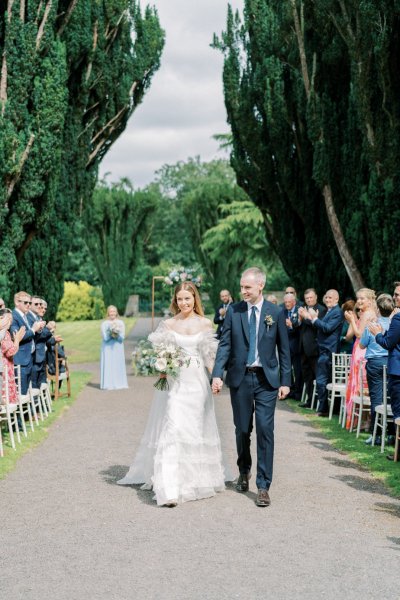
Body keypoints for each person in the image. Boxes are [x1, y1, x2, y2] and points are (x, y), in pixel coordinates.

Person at [118, 282, 227, 507]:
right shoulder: (168, 324)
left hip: (197, 384)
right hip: (176, 383)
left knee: (193, 429)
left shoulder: (205, 323)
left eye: (187, 299)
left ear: (194, 299)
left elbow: (209, 356)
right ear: (175, 301)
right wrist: (163, 364)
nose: (184, 303)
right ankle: (169, 489)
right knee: (173, 427)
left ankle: (193, 481)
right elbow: (161, 355)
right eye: (180, 299)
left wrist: (216, 378)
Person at [212, 267, 291, 507]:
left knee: (266, 431)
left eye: (247, 287)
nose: (243, 291)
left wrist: (286, 381)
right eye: (241, 287)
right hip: (240, 379)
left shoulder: (274, 312)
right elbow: (225, 344)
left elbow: (284, 350)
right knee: (243, 430)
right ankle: (244, 470)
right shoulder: (234, 312)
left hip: (267, 381)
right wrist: (217, 374)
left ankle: (263, 485)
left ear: (260, 286)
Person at [300, 289, 344, 416]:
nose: (328, 300)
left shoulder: (337, 312)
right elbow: (321, 325)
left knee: (321, 380)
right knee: (323, 380)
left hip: (328, 351)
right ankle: (327, 408)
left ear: (336, 299)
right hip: (322, 349)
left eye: (331, 298)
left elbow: (327, 328)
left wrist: (313, 318)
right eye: (327, 297)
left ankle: (323, 409)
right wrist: (310, 318)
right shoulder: (328, 311)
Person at [370, 282, 400, 459]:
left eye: (397, 294)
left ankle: (397, 454)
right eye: (395, 294)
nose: (395, 297)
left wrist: (377, 333)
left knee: (398, 413)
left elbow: (388, 343)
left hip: (397, 372)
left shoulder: (398, 318)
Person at [360, 293, 392, 445]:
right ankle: (392, 433)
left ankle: (376, 434)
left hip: (374, 363)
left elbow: (361, 345)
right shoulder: (394, 325)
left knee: (376, 398)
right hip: (391, 362)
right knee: (392, 398)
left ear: (378, 309)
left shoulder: (372, 325)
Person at [343, 288, 377, 429]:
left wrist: (351, 320)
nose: (359, 301)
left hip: (361, 351)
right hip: (363, 350)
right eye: (358, 298)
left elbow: (359, 335)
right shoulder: (371, 312)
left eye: (363, 298)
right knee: (363, 386)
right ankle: (365, 420)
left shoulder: (366, 314)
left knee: (360, 385)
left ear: (370, 300)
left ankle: (364, 421)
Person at [298, 288, 326, 407]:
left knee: (317, 377)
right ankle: (310, 401)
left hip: (314, 348)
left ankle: (320, 403)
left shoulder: (322, 310)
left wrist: (306, 317)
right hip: (303, 348)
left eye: (311, 297)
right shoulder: (303, 308)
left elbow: (317, 326)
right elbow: (298, 326)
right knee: (307, 376)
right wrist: (299, 319)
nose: (309, 300)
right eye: (307, 298)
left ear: (316, 297)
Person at [11, 292, 43, 394]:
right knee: (22, 392)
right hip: (20, 359)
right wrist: (33, 330)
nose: (28, 305)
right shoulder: (14, 316)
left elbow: (30, 335)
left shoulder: (24, 316)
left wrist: (38, 330)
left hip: (29, 358)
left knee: (27, 392)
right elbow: (17, 336)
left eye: (29, 303)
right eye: (26, 303)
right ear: (17, 302)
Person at [0, 308, 25, 403]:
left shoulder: (5, 333)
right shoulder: (4, 333)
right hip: (5, 368)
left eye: (11, 320)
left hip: (7, 366)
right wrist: (17, 340)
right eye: (8, 319)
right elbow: (10, 352)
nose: (10, 322)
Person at [100, 306, 128, 390]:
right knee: (108, 363)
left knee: (117, 363)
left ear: (116, 313)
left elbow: (122, 338)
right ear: (108, 313)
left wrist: (116, 333)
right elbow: (105, 338)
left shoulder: (121, 323)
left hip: (117, 347)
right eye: (110, 311)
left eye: (114, 311)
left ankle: (120, 382)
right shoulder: (104, 324)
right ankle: (108, 384)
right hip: (107, 347)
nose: (112, 313)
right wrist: (111, 332)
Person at [283, 292, 303, 400]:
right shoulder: (283, 312)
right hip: (286, 346)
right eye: (285, 302)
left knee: (297, 370)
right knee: (287, 369)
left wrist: (291, 326)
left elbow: (300, 327)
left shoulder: (299, 311)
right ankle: (289, 390)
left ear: (294, 302)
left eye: (289, 302)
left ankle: (298, 392)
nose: (287, 304)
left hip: (297, 345)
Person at [30, 297, 52, 389]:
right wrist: (49, 330)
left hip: (42, 354)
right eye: (40, 306)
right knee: (35, 382)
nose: (42, 309)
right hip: (36, 355)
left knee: (41, 381)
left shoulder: (40, 319)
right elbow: (39, 335)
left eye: (45, 309)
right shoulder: (33, 319)